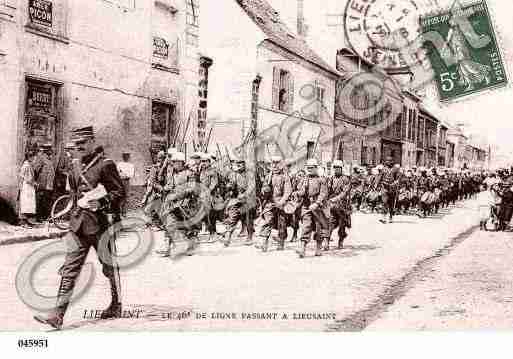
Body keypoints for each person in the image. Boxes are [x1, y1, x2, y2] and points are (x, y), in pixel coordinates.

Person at [34, 126, 126, 330]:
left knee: (109, 267)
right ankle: (57, 315)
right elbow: (74, 196)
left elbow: (119, 192)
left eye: (82, 143)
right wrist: (64, 213)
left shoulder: (105, 165)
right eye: (76, 144)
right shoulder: (75, 166)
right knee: (70, 269)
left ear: (92, 141)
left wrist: (101, 203)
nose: (79, 147)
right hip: (78, 225)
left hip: (100, 226)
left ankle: (116, 304)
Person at [294, 158, 328, 258]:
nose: (309, 169)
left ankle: (318, 247)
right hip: (306, 206)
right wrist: (297, 193)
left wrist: (317, 203)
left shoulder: (321, 179)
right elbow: (301, 191)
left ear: (316, 168)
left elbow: (323, 194)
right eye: (308, 167)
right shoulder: (304, 179)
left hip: (318, 207)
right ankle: (302, 248)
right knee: (306, 226)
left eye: (311, 167)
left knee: (318, 227)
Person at [257, 156, 292, 252]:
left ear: (281, 164)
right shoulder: (268, 176)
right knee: (268, 221)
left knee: (282, 223)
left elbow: (288, 191)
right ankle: (264, 242)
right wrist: (265, 190)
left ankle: (281, 241)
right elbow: (263, 190)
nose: (275, 165)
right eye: (273, 163)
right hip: (270, 203)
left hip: (281, 203)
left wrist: (281, 202)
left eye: (277, 163)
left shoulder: (285, 177)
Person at [326, 160, 352, 250]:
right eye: (335, 168)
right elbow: (327, 191)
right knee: (330, 224)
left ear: (341, 169)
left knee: (342, 225)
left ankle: (340, 241)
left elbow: (344, 192)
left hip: (343, 206)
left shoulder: (345, 179)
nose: (336, 170)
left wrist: (335, 199)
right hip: (332, 206)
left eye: (338, 168)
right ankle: (327, 243)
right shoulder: (331, 178)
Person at [35, 145, 55, 222]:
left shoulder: (49, 159)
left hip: (49, 184)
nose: (50, 152)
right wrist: (38, 181)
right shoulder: (41, 159)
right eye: (49, 151)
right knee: (40, 200)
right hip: (43, 183)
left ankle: (46, 216)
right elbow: (36, 170)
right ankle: (39, 217)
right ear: (46, 151)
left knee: (46, 201)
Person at [18, 151, 37, 228]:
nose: (34, 158)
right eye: (33, 157)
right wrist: (35, 183)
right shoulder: (27, 166)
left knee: (27, 204)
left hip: (26, 186)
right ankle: (24, 222)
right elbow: (28, 179)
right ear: (29, 157)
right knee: (26, 204)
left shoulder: (27, 165)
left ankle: (27, 221)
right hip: (27, 186)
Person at [117, 152, 135, 217]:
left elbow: (131, 175)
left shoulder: (131, 165)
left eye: (127, 156)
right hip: (120, 182)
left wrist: (124, 174)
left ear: (129, 157)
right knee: (119, 196)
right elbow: (117, 173)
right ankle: (118, 212)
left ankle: (124, 212)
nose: (126, 157)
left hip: (126, 182)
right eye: (124, 156)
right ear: (123, 157)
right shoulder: (120, 164)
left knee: (126, 197)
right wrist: (122, 174)